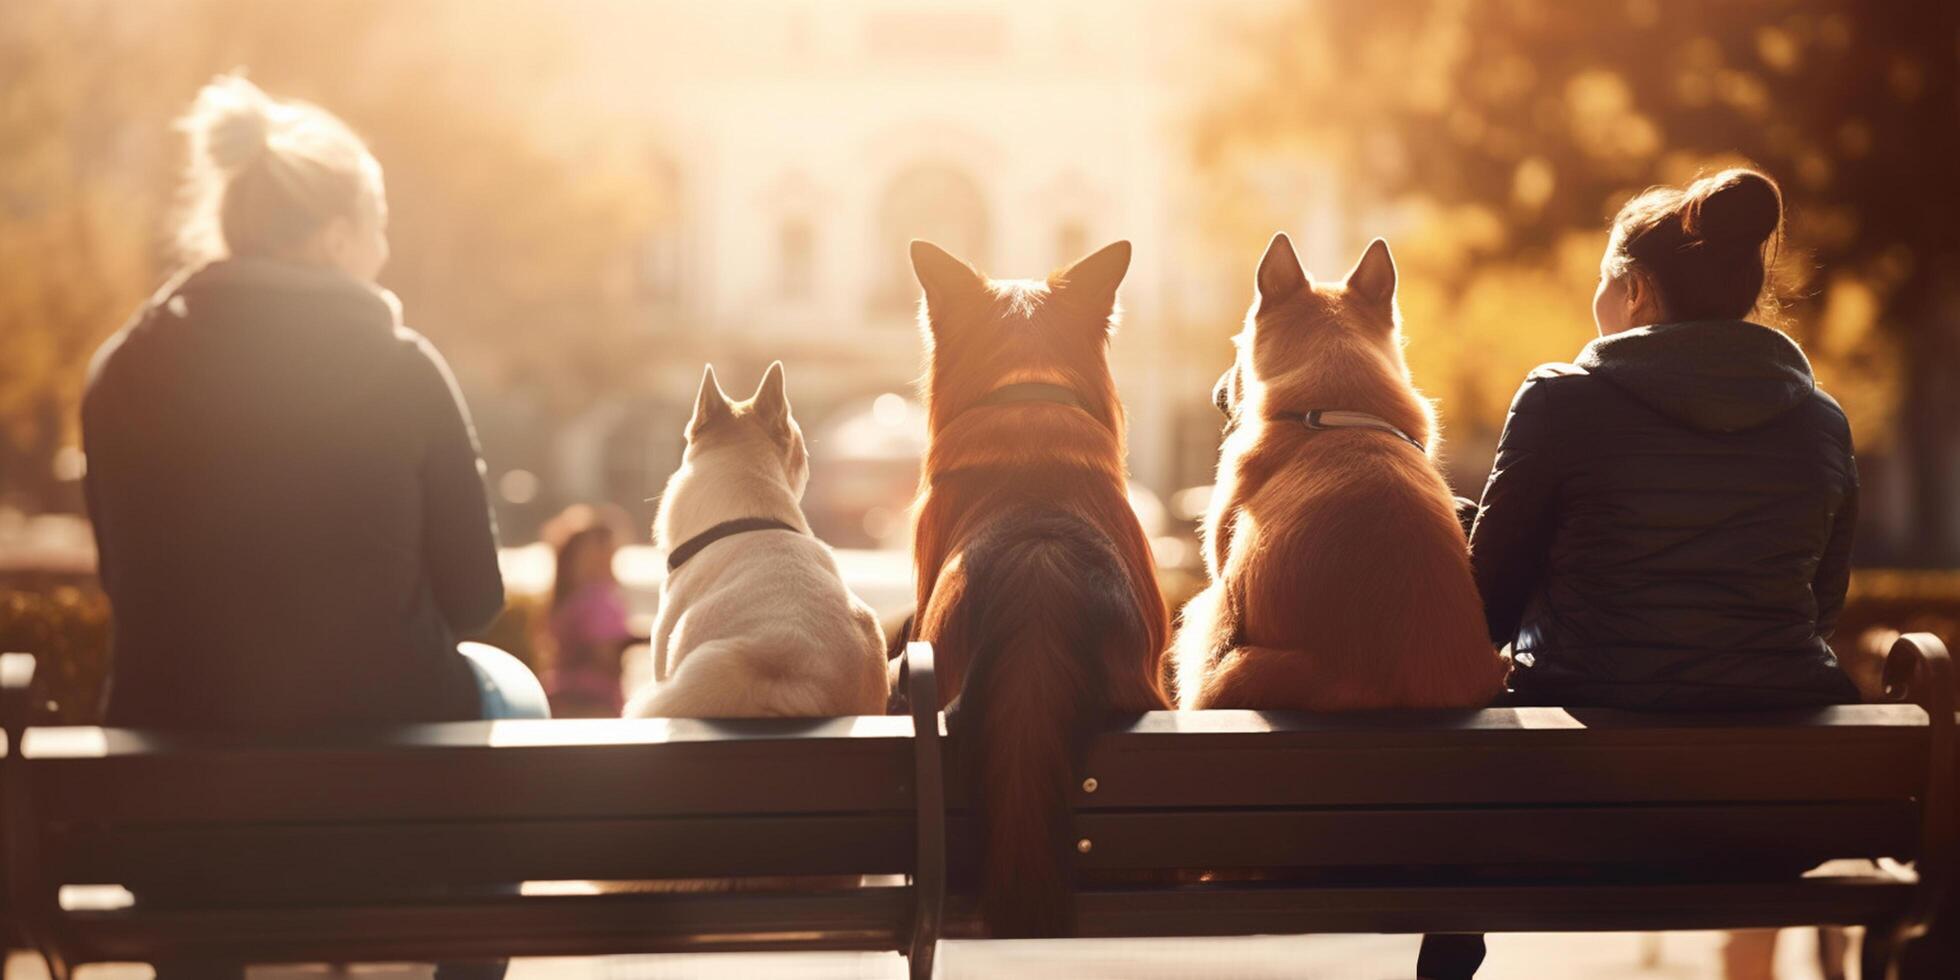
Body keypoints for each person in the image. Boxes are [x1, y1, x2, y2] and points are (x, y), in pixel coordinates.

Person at [81, 73, 535, 980]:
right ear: (334, 238)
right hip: (383, 809)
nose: (385, 249)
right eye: (379, 228)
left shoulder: (125, 368)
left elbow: (129, 580)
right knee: (511, 688)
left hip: (177, 823)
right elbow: (478, 598)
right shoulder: (404, 368)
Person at [1418, 168, 1861, 979]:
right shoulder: (1823, 423)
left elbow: (1484, 613)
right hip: (1777, 816)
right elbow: (1817, 609)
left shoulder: (1561, 401)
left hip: (1582, 808)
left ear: (1634, 293)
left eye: (1601, 284)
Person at [538, 504, 644, 717]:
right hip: (592, 704)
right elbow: (604, 653)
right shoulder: (597, 597)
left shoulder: (566, 598)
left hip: (560, 700)